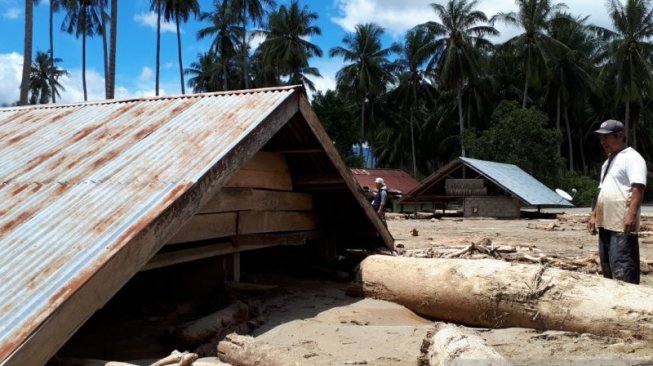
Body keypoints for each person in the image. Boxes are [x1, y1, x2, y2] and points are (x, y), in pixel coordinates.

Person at [587, 119, 647, 284]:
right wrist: (594, 215)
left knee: (623, 267)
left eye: (606, 137)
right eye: (601, 138)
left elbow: (638, 187)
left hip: (622, 224)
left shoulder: (632, 158)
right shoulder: (608, 162)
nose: (603, 141)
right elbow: (603, 191)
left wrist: (631, 214)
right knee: (608, 268)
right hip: (605, 223)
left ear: (620, 136)